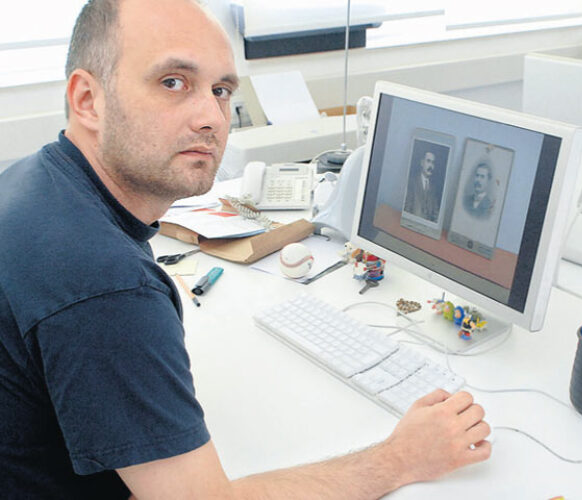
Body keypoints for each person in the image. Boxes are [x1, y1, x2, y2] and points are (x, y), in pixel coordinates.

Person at [0, 0, 491, 498]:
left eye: (220, 91)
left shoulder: (35, 183)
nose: (211, 118)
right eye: (173, 82)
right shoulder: (105, 286)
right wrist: (400, 458)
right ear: (88, 100)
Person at [404, 150, 442, 221]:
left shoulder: (433, 188)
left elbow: (436, 213)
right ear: (422, 163)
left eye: (433, 163)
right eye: (428, 161)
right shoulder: (412, 182)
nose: (430, 166)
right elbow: (406, 208)